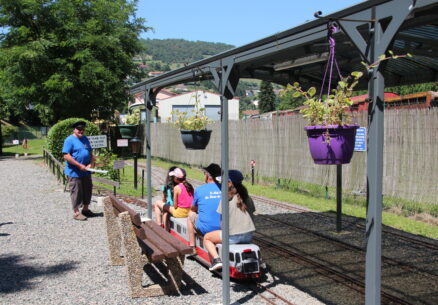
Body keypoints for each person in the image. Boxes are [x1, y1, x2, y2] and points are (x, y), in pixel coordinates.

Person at [203, 169, 256, 271]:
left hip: (232, 237)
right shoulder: (248, 198)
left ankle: (216, 260)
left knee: (207, 238)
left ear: (230, 182)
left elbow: (222, 223)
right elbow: (252, 214)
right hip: (248, 237)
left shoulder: (226, 198)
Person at [62, 121, 95, 221]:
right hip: (75, 171)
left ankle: (85, 209)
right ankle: (76, 212)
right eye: (79, 129)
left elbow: (90, 152)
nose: (81, 131)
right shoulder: (69, 140)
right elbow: (66, 156)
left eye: (83, 129)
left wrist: (91, 163)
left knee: (87, 190)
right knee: (76, 191)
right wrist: (79, 165)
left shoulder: (85, 139)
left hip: (86, 170)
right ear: (74, 129)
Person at [187, 163, 222, 255]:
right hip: (224, 228)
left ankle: (192, 247)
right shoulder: (226, 189)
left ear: (207, 175)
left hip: (207, 229)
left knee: (191, 215)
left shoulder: (199, 189)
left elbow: (193, 209)